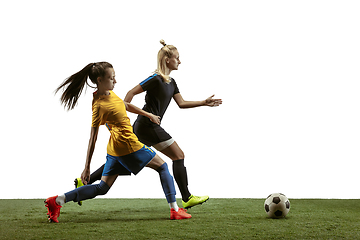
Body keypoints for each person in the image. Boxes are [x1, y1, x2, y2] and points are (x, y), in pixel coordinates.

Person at [76, 40, 222, 209]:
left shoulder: (171, 82)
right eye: (177, 58)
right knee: (178, 155)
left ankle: (83, 181)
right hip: (147, 125)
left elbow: (181, 103)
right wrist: (121, 117)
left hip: (145, 127)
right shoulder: (155, 79)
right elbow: (130, 93)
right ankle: (187, 197)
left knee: (122, 162)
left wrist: (204, 102)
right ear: (167, 59)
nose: (179, 61)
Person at [45, 62, 191, 223]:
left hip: (115, 149)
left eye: (114, 77)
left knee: (102, 188)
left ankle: (57, 200)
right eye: (111, 78)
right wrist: (87, 167)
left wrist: (148, 114)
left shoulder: (108, 93)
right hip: (129, 146)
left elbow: (125, 105)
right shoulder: (99, 106)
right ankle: (175, 210)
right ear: (99, 80)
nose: (115, 81)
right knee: (163, 167)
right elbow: (92, 138)